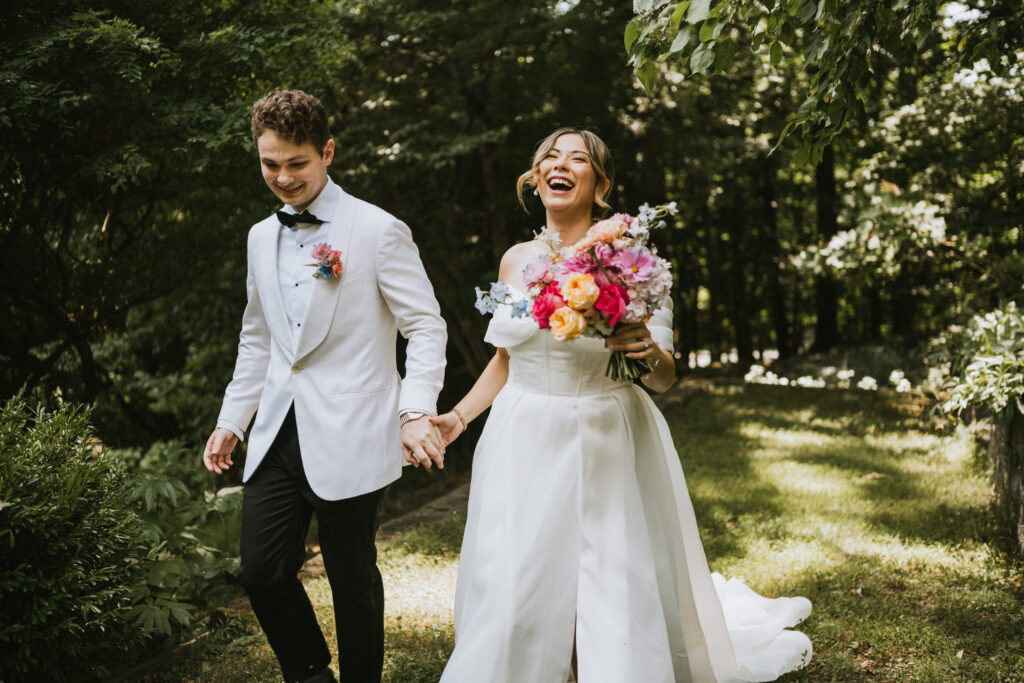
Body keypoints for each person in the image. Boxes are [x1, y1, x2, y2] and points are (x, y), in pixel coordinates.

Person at [433, 127, 812, 683]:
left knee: (606, 575)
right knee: (519, 572)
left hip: (605, 430)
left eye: (578, 159)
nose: (560, 165)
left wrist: (644, 348)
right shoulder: (514, 260)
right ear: (536, 177)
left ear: (600, 182)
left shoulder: (633, 262)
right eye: (550, 157)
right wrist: (458, 417)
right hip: (522, 433)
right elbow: (505, 360)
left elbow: (664, 377)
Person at [202, 90, 447, 683]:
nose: (282, 177)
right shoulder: (262, 236)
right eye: (269, 163)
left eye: (296, 163)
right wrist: (233, 419)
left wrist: (415, 411)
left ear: (328, 151)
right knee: (261, 570)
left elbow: (425, 325)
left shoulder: (378, 229)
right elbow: (258, 338)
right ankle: (310, 673)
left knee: (351, 578)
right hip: (276, 434)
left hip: (354, 430)